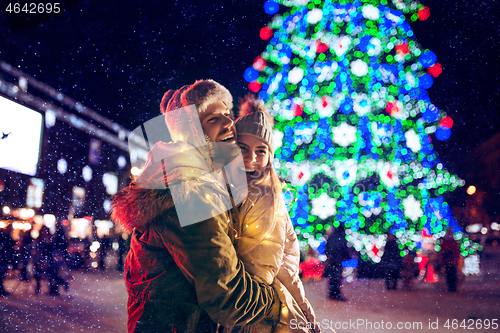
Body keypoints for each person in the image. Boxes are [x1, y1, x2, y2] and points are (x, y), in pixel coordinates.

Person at [111, 80, 284, 332]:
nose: (228, 123)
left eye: (227, 114)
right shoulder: (189, 189)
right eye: (213, 119)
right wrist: (277, 302)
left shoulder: (196, 177)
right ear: (192, 131)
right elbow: (228, 297)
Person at [226, 95, 318, 332]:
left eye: (261, 151)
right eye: (243, 148)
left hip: (254, 317)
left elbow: (263, 272)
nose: (250, 158)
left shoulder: (265, 197)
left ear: (269, 158)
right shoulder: (231, 190)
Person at [324, 224, 350, 301]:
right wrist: (346, 256)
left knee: (333, 277)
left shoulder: (333, 236)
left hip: (333, 260)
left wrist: (328, 256)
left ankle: (332, 293)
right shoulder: (340, 237)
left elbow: (328, 248)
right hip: (337, 260)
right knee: (336, 277)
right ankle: (336, 293)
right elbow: (343, 247)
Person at [0, 224, 15, 296]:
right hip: (3, 257)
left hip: (4, 257)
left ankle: (1, 288)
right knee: (1, 273)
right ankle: (1, 289)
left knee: (2, 274)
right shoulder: (5, 236)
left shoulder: (5, 236)